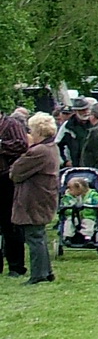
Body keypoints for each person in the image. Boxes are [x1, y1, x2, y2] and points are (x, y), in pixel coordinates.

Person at [10, 113, 61, 283]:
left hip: (35, 199)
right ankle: (46, 271)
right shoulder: (52, 147)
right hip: (44, 196)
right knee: (39, 236)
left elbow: (16, 172)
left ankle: (38, 274)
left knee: (34, 237)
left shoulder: (39, 151)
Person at [1, 108, 31, 276]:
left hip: (6, 179)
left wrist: (1, 145)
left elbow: (22, 145)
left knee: (10, 223)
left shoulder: (11, 124)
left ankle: (16, 266)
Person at [58, 176, 98, 245]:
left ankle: (88, 238)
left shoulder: (92, 194)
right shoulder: (68, 196)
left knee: (89, 223)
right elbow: (64, 204)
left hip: (88, 216)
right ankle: (67, 237)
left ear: (78, 189)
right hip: (73, 216)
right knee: (69, 223)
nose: (69, 190)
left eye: (71, 189)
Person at [57, 98, 93, 167]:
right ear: (75, 111)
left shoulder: (94, 124)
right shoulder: (67, 126)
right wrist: (65, 162)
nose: (86, 112)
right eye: (82, 110)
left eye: (87, 109)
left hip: (92, 166)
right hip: (75, 167)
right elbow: (57, 146)